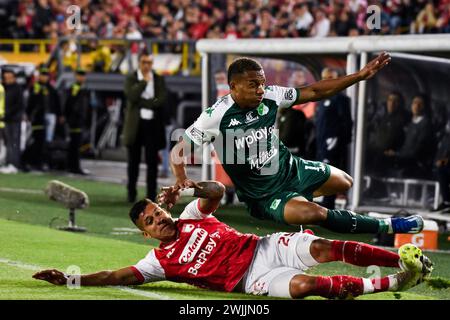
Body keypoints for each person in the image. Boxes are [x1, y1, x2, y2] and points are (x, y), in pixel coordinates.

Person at [32, 180, 433, 299]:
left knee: (322, 247)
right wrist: (73, 279)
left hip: (262, 247)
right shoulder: (157, 263)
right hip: (251, 282)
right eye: (153, 220)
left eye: (160, 211)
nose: (161, 218)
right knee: (307, 287)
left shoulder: (190, 215)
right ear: (146, 233)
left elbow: (216, 194)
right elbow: (114, 276)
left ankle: (405, 257)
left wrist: (188, 189)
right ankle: (395, 282)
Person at [170, 54, 425, 235]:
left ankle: (296, 201)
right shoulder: (216, 115)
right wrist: (181, 178)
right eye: (253, 84)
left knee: (345, 182)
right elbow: (179, 149)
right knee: (313, 214)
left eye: (262, 82)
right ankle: (388, 226)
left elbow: (314, 91)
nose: (261, 89)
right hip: (263, 195)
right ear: (233, 86)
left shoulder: (270, 95)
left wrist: (357, 77)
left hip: (292, 169)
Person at [123, 51, 167, 203]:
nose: (147, 66)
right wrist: (143, 83)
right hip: (135, 125)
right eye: (144, 62)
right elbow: (131, 96)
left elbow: (161, 100)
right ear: (139, 63)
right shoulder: (131, 78)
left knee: (152, 162)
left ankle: (150, 194)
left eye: (149, 63)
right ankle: (131, 193)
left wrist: (143, 102)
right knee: (133, 162)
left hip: (152, 125)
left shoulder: (159, 79)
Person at [315, 68, 352, 209]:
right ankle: (321, 202)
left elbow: (347, 122)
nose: (326, 80)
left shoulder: (340, 99)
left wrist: (338, 139)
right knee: (320, 171)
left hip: (332, 143)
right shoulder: (321, 98)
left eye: (329, 77)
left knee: (330, 173)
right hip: (320, 142)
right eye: (324, 77)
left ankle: (328, 206)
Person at [384, 94, 435, 178]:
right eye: (415, 102)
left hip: (415, 163)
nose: (417, 106)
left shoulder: (426, 125)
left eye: (420, 103)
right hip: (404, 158)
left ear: (425, 107)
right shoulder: (410, 123)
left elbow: (417, 150)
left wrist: (397, 154)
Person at [23, 67, 62, 171]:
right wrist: (28, 113)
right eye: (42, 75)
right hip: (38, 117)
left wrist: (59, 115)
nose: (44, 77)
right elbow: (31, 102)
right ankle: (33, 162)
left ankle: (43, 162)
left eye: (46, 75)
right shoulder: (35, 87)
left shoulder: (51, 88)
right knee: (37, 140)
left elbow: (57, 103)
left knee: (46, 141)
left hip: (50, 116)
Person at [64, 68, 89, 175]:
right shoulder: (75, 88)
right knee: (75, 144)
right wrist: (72, 117)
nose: (82, 78)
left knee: (75, 144)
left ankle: (73, 166)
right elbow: (71, 104)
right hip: (76, 120)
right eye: (80, 75)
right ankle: (74, 167)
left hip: (78, 120)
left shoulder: (81, 88)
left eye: (83, 76)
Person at [2, 69, 25, 173]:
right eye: (6, 78)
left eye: (9, 77)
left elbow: (19, 105)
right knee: (8, 143)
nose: (7, 79)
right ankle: (8, 163)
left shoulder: (17, 89)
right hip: (6, 119)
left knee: (14, 143)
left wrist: (8, 113)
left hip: (14, 119)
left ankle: (14, 164)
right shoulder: (5, 88)